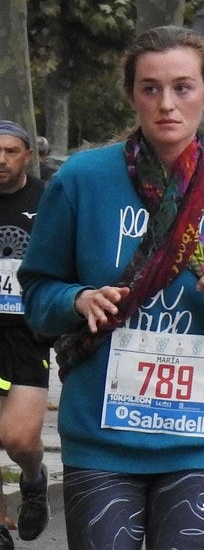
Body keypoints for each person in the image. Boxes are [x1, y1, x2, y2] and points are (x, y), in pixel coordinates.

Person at [17, 26, 204, 548]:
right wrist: (77, 299)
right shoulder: (82, 180)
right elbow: (36, 297)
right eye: (150, 88)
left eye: (183, 87)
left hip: (201, 439)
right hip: (100, 437)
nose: (167, 104)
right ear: (132, 95)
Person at [0, 120, 53, 546]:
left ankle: (34, 479)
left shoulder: (46, 199)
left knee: (17, 439)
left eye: (11, 151)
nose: (1, 160)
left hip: (26, 334)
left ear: (27, 157)